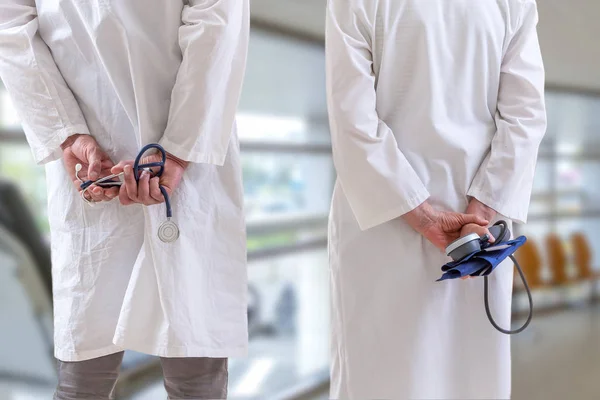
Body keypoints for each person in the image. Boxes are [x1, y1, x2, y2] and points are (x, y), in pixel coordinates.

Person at [0, 0, 249, 399]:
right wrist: (66, 132)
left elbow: (216, 21)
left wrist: (181, 145)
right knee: (87, 370)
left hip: (171, 159)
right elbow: (10, 26)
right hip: (98, 161)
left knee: (192, 363)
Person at [325, 0, 547, 398]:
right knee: (471, 377)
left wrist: (424, 216)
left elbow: (352, 119)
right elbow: (525, 115)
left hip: (383, 222)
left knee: (384, 378)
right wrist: (480, 211)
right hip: (477, 235)